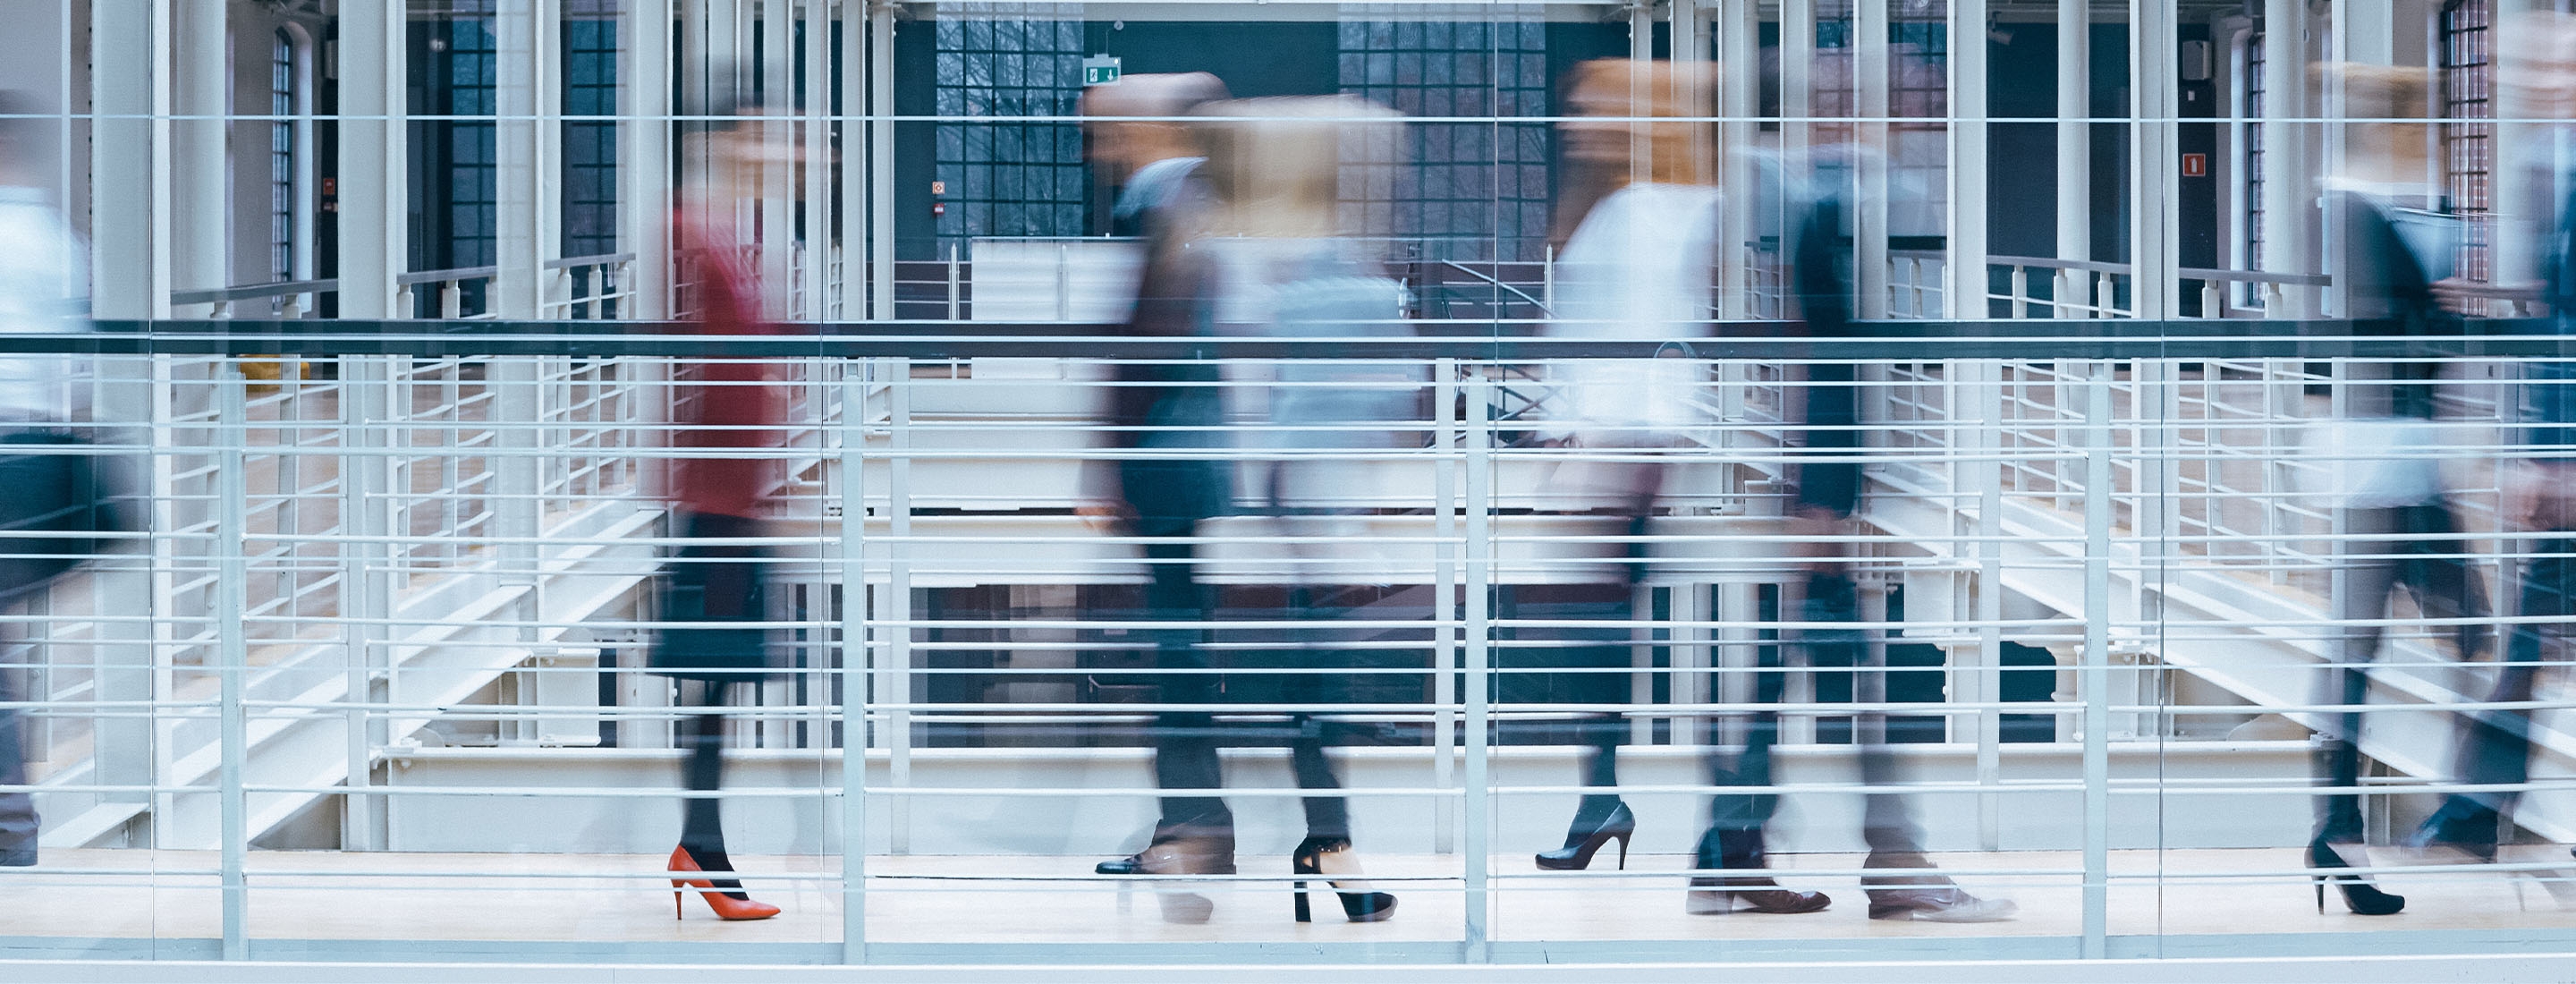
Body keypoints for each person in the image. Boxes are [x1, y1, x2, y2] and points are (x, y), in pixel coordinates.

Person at [1686, 148, 2012, 922]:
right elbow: (1816, 344)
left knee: (1802, 676)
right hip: (1814, 493)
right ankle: (1881, 861)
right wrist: (1823, 506)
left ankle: (1737, 855)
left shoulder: (1812, 192)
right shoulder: (1803, 196)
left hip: (1816, 488)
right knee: (1843, 680)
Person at [1193, 95, 1411, 923]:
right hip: (1283, 505)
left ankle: (1323, 843)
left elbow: (1356, 398)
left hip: (1296, 505)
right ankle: (1319, 845)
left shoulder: (1309, 266)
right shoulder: (1292, 265)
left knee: (1310, 683)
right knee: (1301, 682)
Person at [1521, 57, 1720, 884]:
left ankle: (1609, 804)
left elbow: (1654, 343)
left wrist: (1593, 443)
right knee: (1596, 636)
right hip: (1612, 444)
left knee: (1597, 633)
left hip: (1622, 448)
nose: (1573, 124)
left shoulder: (1654, 210)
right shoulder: (1632, 205)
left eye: (1589, 107)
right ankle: (1599, 802)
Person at [2303, 62, 2493, 916]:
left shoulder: (2381, 199)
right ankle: (2423, 816)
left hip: (2400, 453)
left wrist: (2448, 309)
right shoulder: (2349, 205)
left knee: (2420, 635)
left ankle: (2423, 816)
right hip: (2381, 457)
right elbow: (2388, 324)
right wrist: (2456, 313)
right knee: (2380, 644)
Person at [2411, 12, 2576, 867]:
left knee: (2530, 637)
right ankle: (2468, 819)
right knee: (2529, 637)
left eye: (2555, 67)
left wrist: (2556, 453)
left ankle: (2468, 819)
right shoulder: (2552, 159)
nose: (2540, 82)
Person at [1077, 72, 1239, 925]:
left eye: (1105, 131)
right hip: (1188, 458)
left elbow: (1148, 349)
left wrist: (1107, 465)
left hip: (1164, 461)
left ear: (1142, 129)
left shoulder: (1167, 203)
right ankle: (1196, 822)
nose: (1098, 148)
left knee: (1175, 648)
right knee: (1178, 641)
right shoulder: (1194, 197)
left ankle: (1193, 827)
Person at [655, 97, 791, 922]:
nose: (783, 150)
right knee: (713, 680)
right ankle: (702, 850)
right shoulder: (691, 233)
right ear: (721, 143)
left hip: (737, 495)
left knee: (722, 683)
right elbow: (705, 370)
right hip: (718, 497)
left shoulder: (724, 233)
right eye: (765, 135)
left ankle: (701, 845)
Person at [0, 90, 95, 869]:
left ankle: (12, 820)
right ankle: (13, 820)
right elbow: (81, 361)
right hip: (31, 453)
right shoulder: (53, 238)